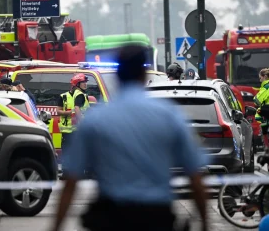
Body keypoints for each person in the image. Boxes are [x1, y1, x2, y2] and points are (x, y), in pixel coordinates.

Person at [51, 44, 209, 231]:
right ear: (143, 77)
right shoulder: (170, 116)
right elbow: (196, 177)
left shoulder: (96, 119)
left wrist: (55, 227)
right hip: (157, 217)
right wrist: (205, 224)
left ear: (118, 76)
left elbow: (71, 181)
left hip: (111, 218)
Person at [57, 73, 90, 178]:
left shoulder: (83, 95)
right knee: (67, 151)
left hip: (77, 129)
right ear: (76, 84)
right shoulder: (63, 96)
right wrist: (68, 113)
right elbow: (58, 110)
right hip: (67, 129)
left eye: (85, 82)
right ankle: (66, 173)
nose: (85, 84)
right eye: (83, 83)